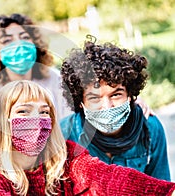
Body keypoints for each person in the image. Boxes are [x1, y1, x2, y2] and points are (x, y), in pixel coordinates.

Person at [0, 80, 175, 195]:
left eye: (44, 112)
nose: (37, 120)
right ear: (3, 121)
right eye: (23, 112)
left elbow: (108, 177)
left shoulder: (66, 158)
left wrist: (166, 191)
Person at [60, 36, 170, 181]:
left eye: (116, 95)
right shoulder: (65, 133)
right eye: (94, 98)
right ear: (81, 102)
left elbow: (162, 187)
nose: (107, 106)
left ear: (130, 94)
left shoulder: (150, 128)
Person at [0, 13, 72, 120]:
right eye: (7, 40)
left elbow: (68, 122)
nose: (18, 44)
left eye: (24, 37)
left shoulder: (55, 79)